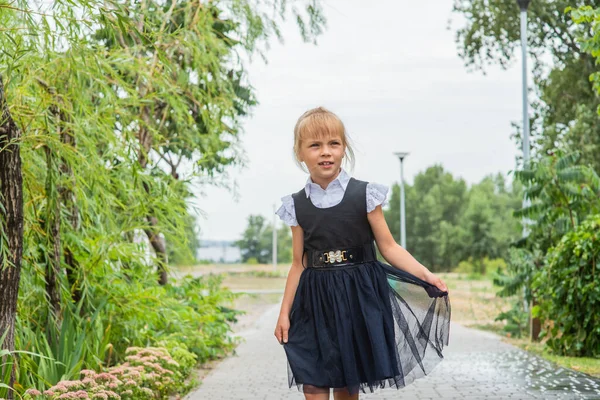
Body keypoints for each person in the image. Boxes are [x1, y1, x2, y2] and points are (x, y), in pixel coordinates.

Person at [274, 106, 451, 400]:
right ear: (300, 152)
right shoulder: (296, 204)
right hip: (314, 300)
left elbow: (389, 247)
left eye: (334, 143)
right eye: (315, 145)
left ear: (344, 149)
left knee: (347, 381)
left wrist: (426, 274)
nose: (325, 152)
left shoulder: (365, 195)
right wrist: (283, 314)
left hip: (357, 295)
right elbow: (298, 264)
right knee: (313, 381)